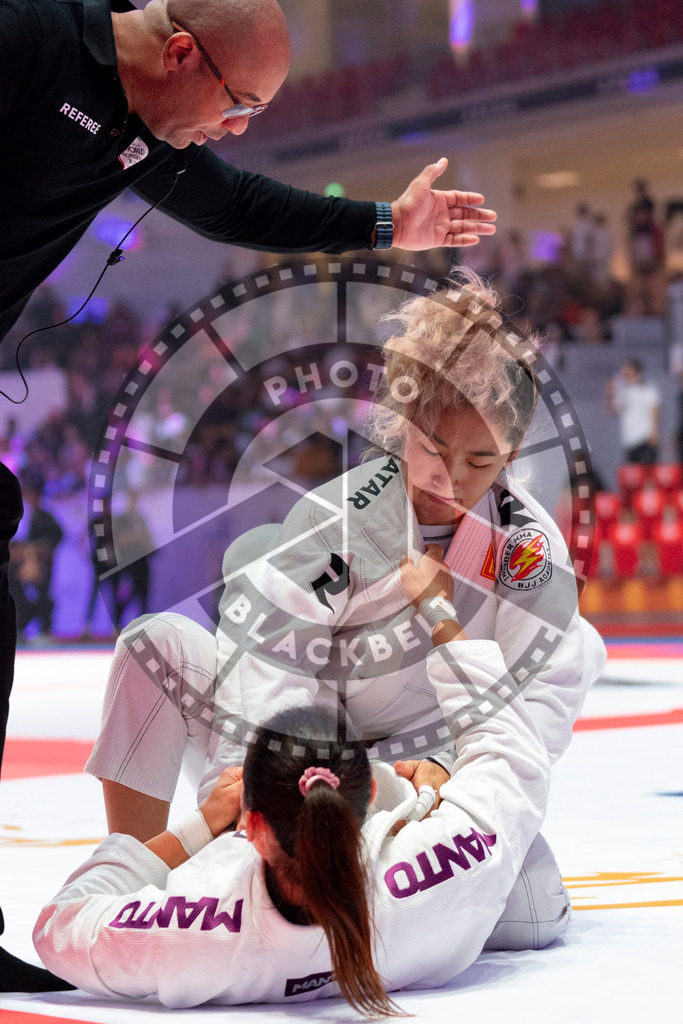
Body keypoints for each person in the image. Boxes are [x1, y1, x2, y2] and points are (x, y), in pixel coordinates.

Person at [0, 0, 497, 981]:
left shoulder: (155, 135)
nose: (236, 131)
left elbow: (243, 204)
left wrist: (389, 221)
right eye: (236, 105)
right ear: (180, 52)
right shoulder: (33, 40)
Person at [77, 273, 602, 959]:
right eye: (433, 451)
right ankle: (141, 872)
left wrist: (455, 769)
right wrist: (255, 811)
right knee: (156, 646)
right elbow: (266, 667)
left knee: (529, 917)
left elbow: (544, 689)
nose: (450, 478)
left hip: (430, 777)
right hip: (307, 756)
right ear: (400, 424)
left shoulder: (525, 546)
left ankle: (336, 893)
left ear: (510, 454)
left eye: (479, 460)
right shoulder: (340, 517)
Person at [34, 636, 551, 1011]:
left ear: (250, 826)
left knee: (153, 638)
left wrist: (198, 827)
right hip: (481, 907)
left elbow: (59, 924)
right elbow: (514, 757)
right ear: (367, 791)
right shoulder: (441, 875)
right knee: (537, 905)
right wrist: (441, 620)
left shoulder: (194, 930)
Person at [606, 358, 660, 465]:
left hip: (644, 438)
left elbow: (654, 409)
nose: (624, 373)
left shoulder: (647, 388)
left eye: (627, 370)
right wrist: (609, 393)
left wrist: (653, 432)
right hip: (630, 440)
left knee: (646, 474)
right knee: (632, 475)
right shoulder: (623, 391)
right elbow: (614, 409)